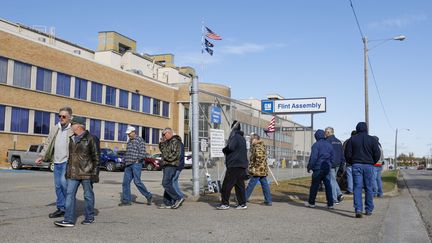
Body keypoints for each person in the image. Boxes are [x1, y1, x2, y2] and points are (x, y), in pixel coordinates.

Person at [54, 116, 99, 227]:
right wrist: (67, 171)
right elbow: (70, 157)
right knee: (69, 194)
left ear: (78, 126)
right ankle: (68, 220)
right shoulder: (72, 139)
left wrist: (95, 174)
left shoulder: (92, 138)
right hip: (73, 173)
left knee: (88, 195)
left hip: (87, 173)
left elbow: (96, 157)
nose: (71, 126)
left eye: (72, 124)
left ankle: (89, 217)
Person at [36, 106, 74, 218]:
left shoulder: (72, 130)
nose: (61, 118)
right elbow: (48, 143)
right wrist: (41, 156)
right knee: (58, 186)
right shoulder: (55, 128)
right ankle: (61, 208)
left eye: (64, 116)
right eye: (60, 116)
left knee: (64, 185)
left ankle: (68, 209)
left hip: (67, 162)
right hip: (56, 162)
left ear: (69, 117)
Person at [344, 122, 381, 218]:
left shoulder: (352, 139)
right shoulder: (372, 139)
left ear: (357, 129)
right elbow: (377, 153)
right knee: (368, 187)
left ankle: (358, 209)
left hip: (356, 165)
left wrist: (352, 162)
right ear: (366, 129)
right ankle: (368, 209)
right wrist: (372, 162)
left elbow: (347, 154)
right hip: (368, 165)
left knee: (357, 187)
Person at [217, 120, 249, 210]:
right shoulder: (242, 138)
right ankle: (242, 204)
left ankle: (225, 203)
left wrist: (224, 150)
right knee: (239, 186)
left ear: (233, 128)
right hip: (241, 165)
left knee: (226, 185)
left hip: (234, 165)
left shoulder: (234, 137)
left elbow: (231, 147)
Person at [119, 126, 153, 206]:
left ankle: (148, 195)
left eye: (129, 133)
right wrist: (124, 160)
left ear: (134, 132)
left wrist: (138, 160)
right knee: (125, 183)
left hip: (136, 164)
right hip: (128, 164)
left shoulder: (139, 140)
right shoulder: (129, 141)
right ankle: (126, 201)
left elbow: (143, 152)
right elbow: (128, 152)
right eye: (128, 134)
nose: (128, 135)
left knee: (137, 182)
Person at [306, 129, 334, 209]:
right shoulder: (329, 145)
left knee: (314, 185)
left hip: (318, 168)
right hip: (326, 168)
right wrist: (329, 165)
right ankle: (330, 204)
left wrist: (309, 167)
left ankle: (312, 203)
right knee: (328, 185)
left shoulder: (316, 145)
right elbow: (332, 157)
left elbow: (313, 158)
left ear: (316, 137)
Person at [159, 127, 185, 209]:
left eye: (164, 134)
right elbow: (163, 151)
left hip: (171, 165)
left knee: (166, 183)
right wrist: (161, 143)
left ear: (169, 133)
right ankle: (168, 202)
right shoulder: (167, 142)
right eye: (162, 134)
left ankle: (178, 197)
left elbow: (174, 155)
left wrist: (165, 158)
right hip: (167, 165)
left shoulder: (175, 142)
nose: (163, 136)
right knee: (168, 183)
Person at [245, 133, 272, 206]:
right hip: (262, 170)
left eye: (251, 139)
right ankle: (268, 200)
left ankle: (243, 199)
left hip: (258, 170)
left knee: (251, 184)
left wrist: (254, 167)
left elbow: (259, 158)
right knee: (265, 185)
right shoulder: (260, 145)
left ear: (255, 139)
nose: (250, 140)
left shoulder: (258, 146)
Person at [325, 127, 345, 204]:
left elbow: (326, 153)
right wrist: (342, 163)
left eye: (326, 132)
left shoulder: (327, 141)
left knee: (331, 181)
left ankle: (334, 199)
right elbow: (342, 153)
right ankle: (339, 194)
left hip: (331, 164)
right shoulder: (339, 142)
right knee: (333, 180)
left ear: (329, 132)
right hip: (338, 163)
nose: (325, 134)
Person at [342, 130, 357, 195]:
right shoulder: (359, 141)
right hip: (357, 162)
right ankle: (356, 189)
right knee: (357, 176)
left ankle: (350, 189)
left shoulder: (346, 141)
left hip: (349, 162)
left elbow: (343, 151)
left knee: (349, 176)